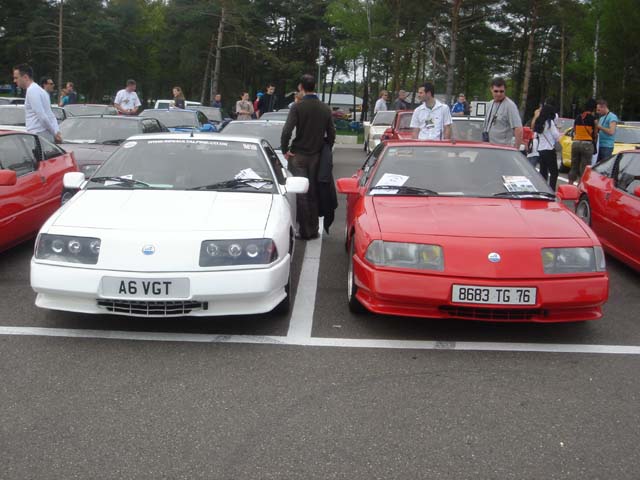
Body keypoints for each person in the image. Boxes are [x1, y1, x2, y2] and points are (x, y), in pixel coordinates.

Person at [281, 74, 336, 240]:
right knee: (314, 191)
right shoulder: (325, 108)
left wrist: (285, 149)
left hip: (299, 155)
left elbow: (287, 131)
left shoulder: (297, 107)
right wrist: (326, 148)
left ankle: (304, 230)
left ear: (301, 87)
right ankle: (313, 229)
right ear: (315, 87)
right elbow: (331, 133)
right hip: (317, 155)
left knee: (300, 193)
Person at [12, 64, 61, 143]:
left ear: (25, 77)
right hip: (45, 135)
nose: (14, 81)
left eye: (16, 78)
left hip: (38, 135)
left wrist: (55, 134)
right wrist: (56, 131)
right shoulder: (42, 91)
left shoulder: (32, 91)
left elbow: (42, 116)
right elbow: (51, 115)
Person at [482, 77, 523, 149]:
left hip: (503, 149)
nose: (498, 94)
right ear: (491, 89)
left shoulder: (510, 105)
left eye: (501, 91)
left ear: (505, 90)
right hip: (488, 146)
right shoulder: (490, 104)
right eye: (496, 91)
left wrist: (516, 149)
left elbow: (518, 129)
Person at [568, 99, 598, 185]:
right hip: (587, 144)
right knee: (584, 168)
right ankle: (580, 187)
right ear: (593, 108)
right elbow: (595, 134)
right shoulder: (594, 119)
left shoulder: (578, 117)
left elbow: (574, 130)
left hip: (576, 143)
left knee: (574, 166)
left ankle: (569, 185)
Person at [534, 104, 561, 190]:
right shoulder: (549, 122)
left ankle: (543, 189)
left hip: (540, 149)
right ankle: (551, 190)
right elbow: (556, 135)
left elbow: (535, 135)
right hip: (549, 149)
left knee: (543, 172)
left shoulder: (539, 122)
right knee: (554, 172)